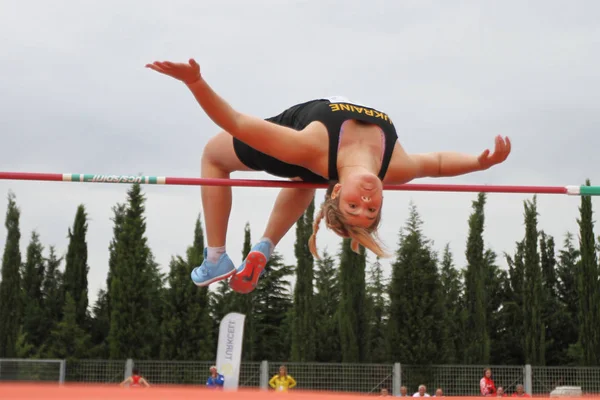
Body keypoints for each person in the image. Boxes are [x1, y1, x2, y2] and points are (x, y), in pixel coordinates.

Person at [146, 59, 512, 294]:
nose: (367, 199)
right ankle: (265, 246)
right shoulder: (394, 167)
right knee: (304, 180)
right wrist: (482, 162)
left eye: (355, 205)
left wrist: (195, 82)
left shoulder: (311, 146)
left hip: (294, 141)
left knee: (213, 156)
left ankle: (216, 257)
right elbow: (436, 162)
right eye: (371, 209)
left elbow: (237, 123)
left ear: (336, 193)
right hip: (315, 169)